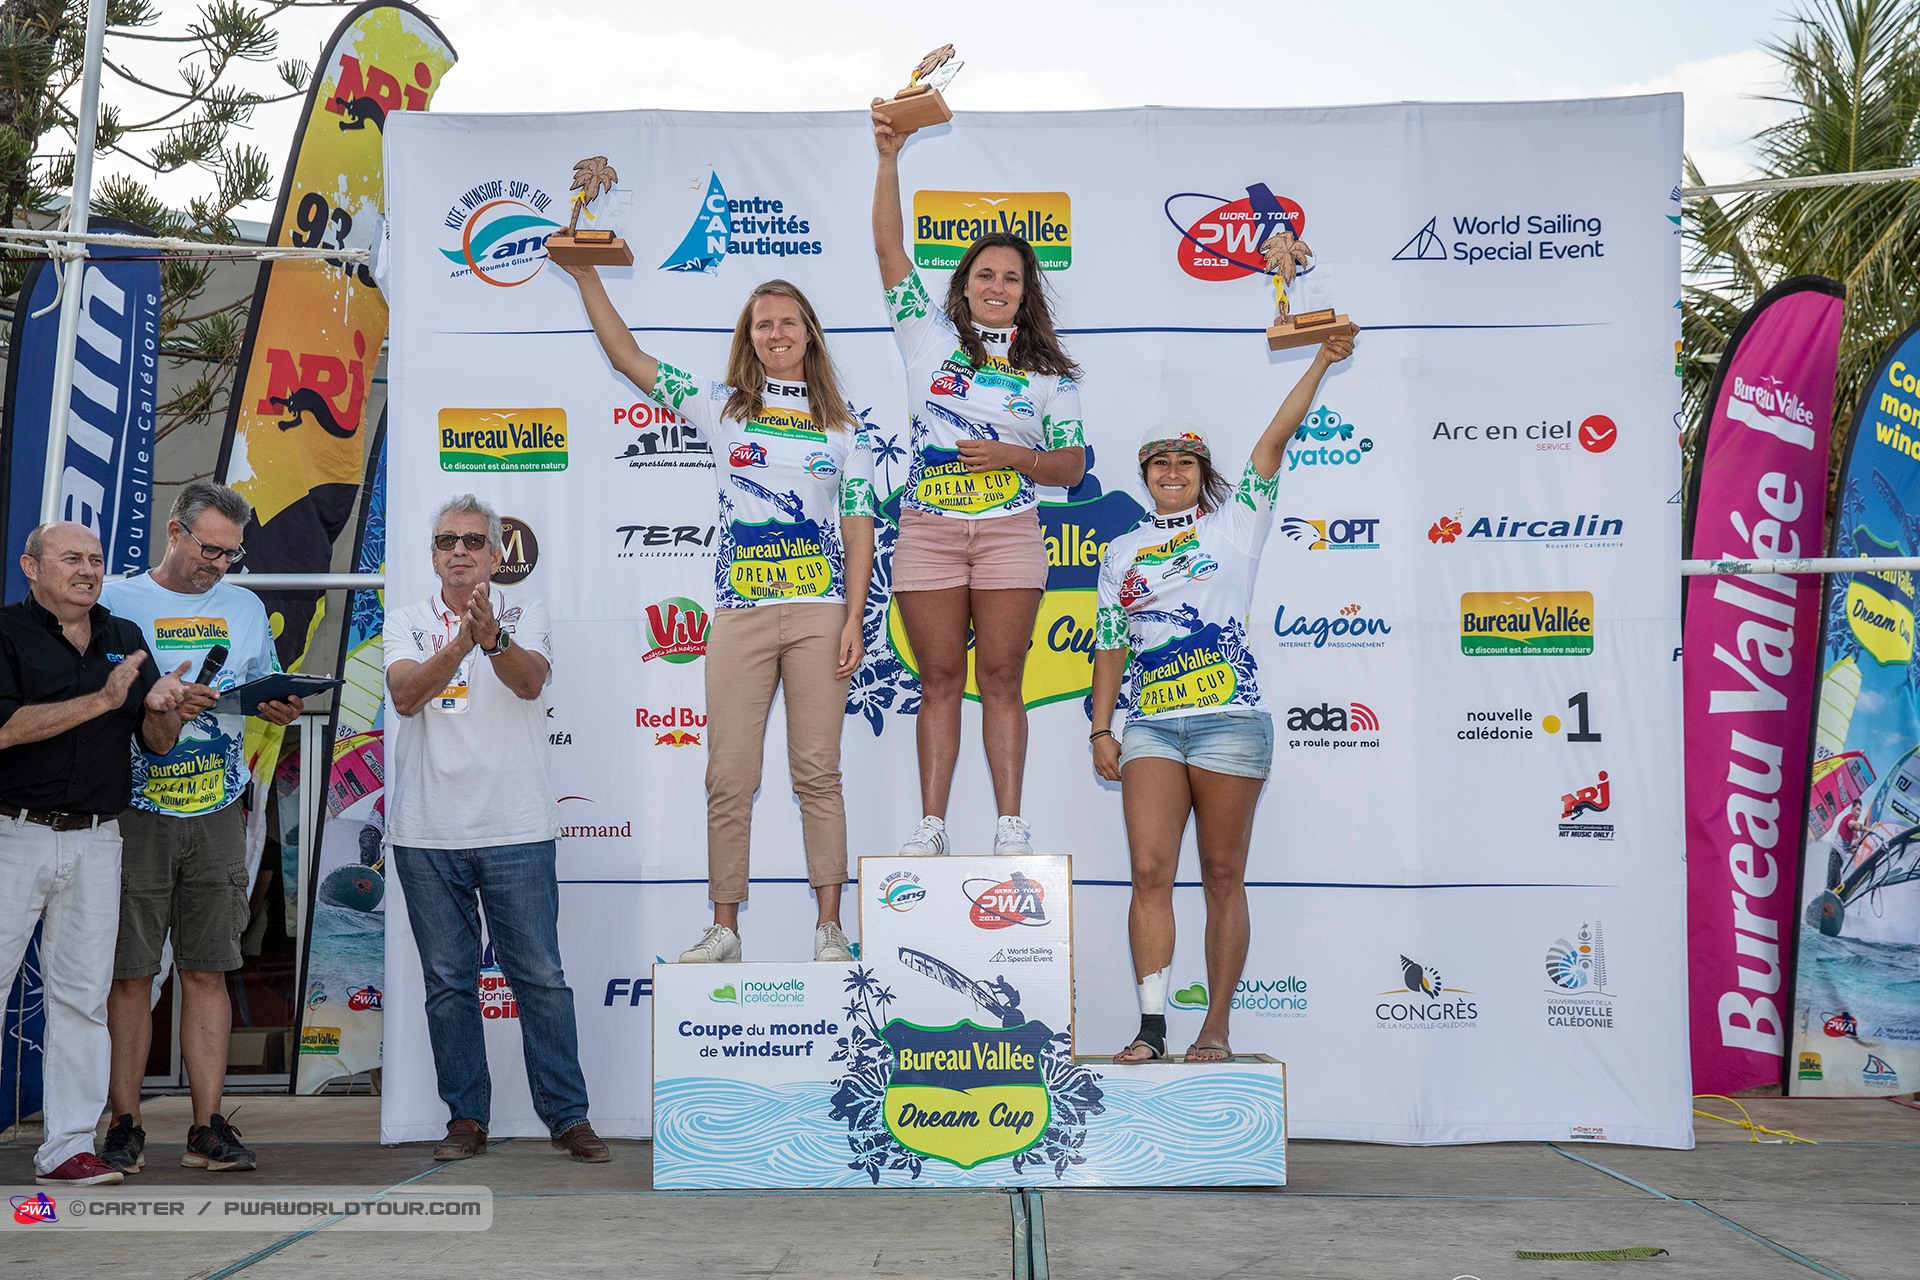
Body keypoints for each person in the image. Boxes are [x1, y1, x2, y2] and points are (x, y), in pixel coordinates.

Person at [558, 264, 875, 964]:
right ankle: (725, 929)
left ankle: (830, 928)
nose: (776, 333)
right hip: (740, 616)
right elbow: (628, 357)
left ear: (809, 334)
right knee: (729, 775)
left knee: (817, 772)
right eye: (763, 324)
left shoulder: (845, 430)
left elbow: (859, 530)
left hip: (820, 614)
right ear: (749, 338)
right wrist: (584, 276)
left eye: (787, 321)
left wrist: (854, 618)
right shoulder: (723, 407)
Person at [1091, 333, 1356, 1063]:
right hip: (1151, 727)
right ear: (1145, 474)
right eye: (1160, 462)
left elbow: (1275, 438)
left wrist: (1321, 361)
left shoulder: (1236, 525)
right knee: (1149, 872)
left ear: (1203, 473)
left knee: (1220, 875)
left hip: (1230, 724)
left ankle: (1216, 1026)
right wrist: (1101, 727)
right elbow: (1110, 643)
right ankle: (1151, 1028)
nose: (1173, 471)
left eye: (1186, 461)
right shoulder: (1120, 551)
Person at [871, 101, 1087, 857]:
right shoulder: (925, 337)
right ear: (963, 286)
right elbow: (889, 246)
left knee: (1001, 677)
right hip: (929, 530)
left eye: (1012, 278)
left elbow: (1073, 466)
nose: (998, 286)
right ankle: (931, 828)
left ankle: (1008, 826)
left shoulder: (1052, 375)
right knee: (937, 678)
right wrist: (889, 158)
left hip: (1009, 535)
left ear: (1027, 293)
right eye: (986, 274)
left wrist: (1014, 458)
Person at [384, 495, 609, 1163]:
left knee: (540, 978)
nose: (459, 550)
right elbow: (405, 695)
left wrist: (494, 638)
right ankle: (465, 1120)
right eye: (447, 541)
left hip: (516, 827)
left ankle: (568, 1117)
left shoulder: (525, 612)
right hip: (426, 834)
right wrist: (464, 640)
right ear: (433, 556)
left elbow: (530, 682)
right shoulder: (405, 620)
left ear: (494, 555)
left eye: (473, 541)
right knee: (448, 983)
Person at [99, 483, 303, 1176]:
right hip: (134, 809)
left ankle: (207, 1127)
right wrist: (156, 704)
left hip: (217, 808)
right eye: (209, 549)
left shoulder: (243, 607)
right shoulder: (117, 600)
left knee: (208, 970)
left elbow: (261, 684)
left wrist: (277, 705)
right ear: (174, 531)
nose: (218, 564)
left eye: (230, 553)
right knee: (130, 974)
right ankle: (124, 1123)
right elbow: (95, 699)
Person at [0, 522, 190, 1186]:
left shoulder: (124, 637)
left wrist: (163, 708)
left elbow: (158, 743)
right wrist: (105, 699)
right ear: (31, 566)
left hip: (98, 838)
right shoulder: (7, 633)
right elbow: (6, 728)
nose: (88, 570)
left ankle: (68, 1148)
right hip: (13, 834)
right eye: (71, 558)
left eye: (97, 560)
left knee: (82, 998)